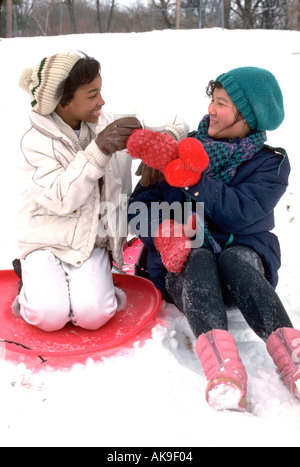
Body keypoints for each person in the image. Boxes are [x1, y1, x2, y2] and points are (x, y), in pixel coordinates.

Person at [127, 66, 300, 411]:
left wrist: (194, 179)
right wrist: (163, 231)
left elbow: (240, 211)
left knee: (235, 257)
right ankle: (223, 370)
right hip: (186, 269)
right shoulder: (181, 148)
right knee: (199, 254)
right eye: (212, 100)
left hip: (243, 266)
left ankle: (293, 357)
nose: (211, 109)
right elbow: (137, 208)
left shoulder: (271, 163)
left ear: (247, 115)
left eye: (221, 103)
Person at [13, 51, 141, 332]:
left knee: (94, 315)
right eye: (92, 94)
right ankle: (30, 281)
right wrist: (99, 151)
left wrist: (164, 144)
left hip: (90, 242)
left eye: (101, 91)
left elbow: (171, 125)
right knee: (48, 316)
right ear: (63, 102)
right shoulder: (32, 142)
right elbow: (60, 199)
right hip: (46, 241)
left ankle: (79, 285)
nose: (102, 101)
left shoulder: (106, 124)